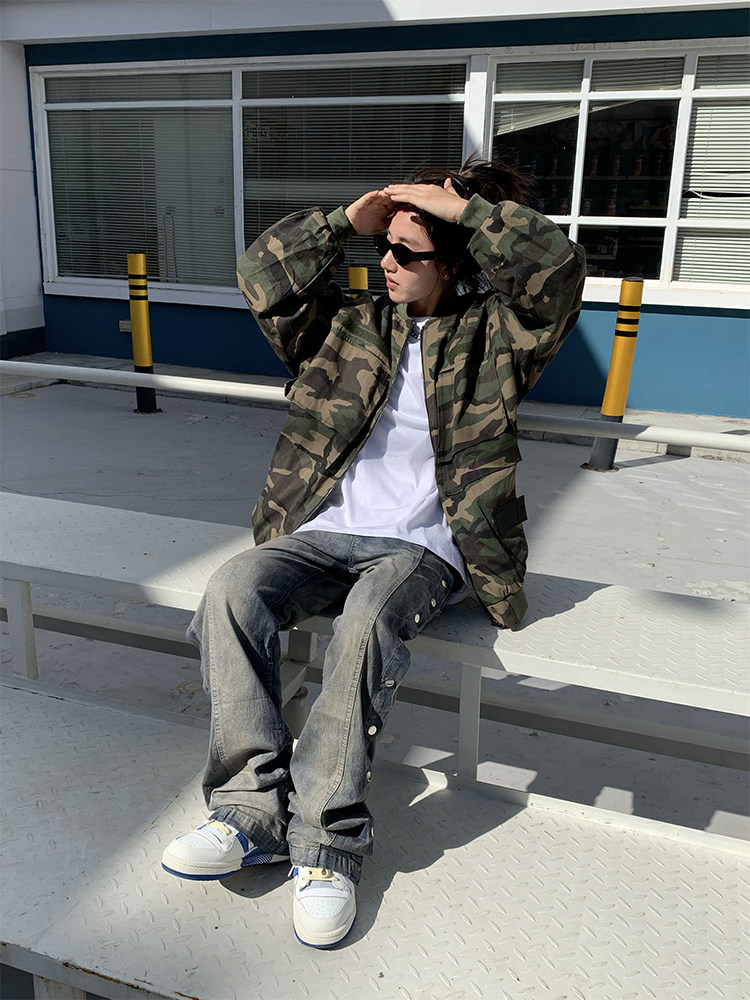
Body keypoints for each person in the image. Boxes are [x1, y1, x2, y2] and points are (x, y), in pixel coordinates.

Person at [161, 154, 586, 948]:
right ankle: (250, 813)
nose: (385, 262)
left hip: (424, 548)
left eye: (406, 251)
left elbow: (557, 272)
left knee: (365, 622)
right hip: (321, 531)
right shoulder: (347, 325)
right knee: (231, 589)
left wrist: (462, 211)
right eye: (381, 248)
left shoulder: (499, 336)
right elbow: (261, 276)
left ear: (453, 260)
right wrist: (339, 224)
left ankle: (327, 846)